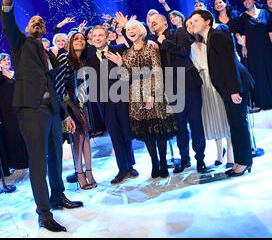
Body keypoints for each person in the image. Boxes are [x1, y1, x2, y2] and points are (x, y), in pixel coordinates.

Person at [0, 0, 81, 233]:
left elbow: (57, 88)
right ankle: (44, 214)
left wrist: (65, 114)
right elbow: (8, 24)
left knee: (57, 157)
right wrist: (7, 0)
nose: (38, 23)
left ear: (45, 30)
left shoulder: (50, 55)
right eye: (33, 21)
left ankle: (58, 196)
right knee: (39, 162)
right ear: (26, 28)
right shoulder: (20, 45)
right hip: (31, 110)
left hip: (52, 111)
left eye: (41, 22)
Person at [106, 20, 178, 178]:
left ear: (140, 31)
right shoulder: (126, 53)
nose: (131, 31)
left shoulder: (150, 47)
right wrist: (120, 64)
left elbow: (157, 71)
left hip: (153, 92)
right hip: (136, 95)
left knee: (158, 130)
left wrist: (152, 94)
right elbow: (126, 76)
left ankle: (164, 163)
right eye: (128, 29)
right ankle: (154, 163)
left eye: (133, 28)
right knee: (146, 132)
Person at [189, 10, 255, 177]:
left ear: (208, 21)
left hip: (235, 85)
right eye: (191, 21)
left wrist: (234, 90)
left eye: (196, 20)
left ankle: (245, 162)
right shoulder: (209, 38)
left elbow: (229, 64)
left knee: (239, 125)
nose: (193, 23)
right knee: (234, 125)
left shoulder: (217, 36)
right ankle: (239, 161)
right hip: (228, 87)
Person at [148, 14, 207, 174]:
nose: (152, 22)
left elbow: (184, 51)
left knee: (195, 122)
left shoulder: (178, 32)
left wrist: (164, 42)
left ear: (165, 22)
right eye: (150, 21)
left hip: (188, 81)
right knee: (179, 124)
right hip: (171, 87)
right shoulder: (152, 43)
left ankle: (200, 158)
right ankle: (184, 158)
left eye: (156, 20)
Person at [85, 26, 139, 185]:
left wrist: (124, 30)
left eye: (101, 35)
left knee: (126, 131)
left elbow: (134, 48)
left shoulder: (118, 49)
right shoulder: (89, 56)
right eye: (95, 36)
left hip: (122, 96)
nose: (97, 38)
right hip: (104, 102)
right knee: (114, 134)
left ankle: (130, 165)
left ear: (107, 37)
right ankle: (122, 169)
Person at [237, 0, 272, 111]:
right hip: (252, 49)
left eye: (249, 0)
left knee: (270, 71)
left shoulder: (265, 13)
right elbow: (243, 33)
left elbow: (270, 30)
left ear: (254, 1)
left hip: (266, 48)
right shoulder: (243, 17)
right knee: (257, 73)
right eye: (244, 1)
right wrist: (243, 47)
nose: (247, 3)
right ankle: (262, 102)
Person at [66, 32, 98, 189]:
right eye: (76, 39)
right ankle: (79, 173)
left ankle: (90, 171)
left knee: (85, 136)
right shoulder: (65, 60)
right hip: (70, 104)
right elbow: (59, 87)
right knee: (78, 138)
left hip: (84, 102)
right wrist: (72, 106)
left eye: (82, 39)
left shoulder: (86, 60)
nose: (80, 41)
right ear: (70, 42)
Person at [0, 53, 29, 170]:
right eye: (4, 60)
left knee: (23, 133)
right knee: (12, 134)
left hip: (20, 107)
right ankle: (16, 162)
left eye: (8, 59)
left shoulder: (15, 74)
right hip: (7, 111)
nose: (7, 61)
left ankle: (28, 159)